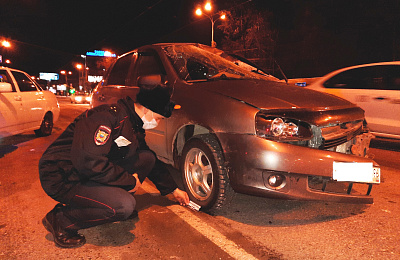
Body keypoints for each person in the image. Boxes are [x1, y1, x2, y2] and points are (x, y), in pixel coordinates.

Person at [39, 85, 189, 248]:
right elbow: (90, 162)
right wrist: (129, 182)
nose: (158, 123)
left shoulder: (133, 123)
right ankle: (61, 219)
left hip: (85, 171)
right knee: (123, 205)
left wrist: (173, 189)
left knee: (147, 158)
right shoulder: (106, 118)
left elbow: (145, 155)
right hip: (62, 176)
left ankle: (108, 198)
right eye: (159, 118)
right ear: (147, 110)